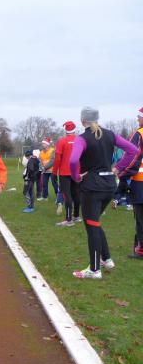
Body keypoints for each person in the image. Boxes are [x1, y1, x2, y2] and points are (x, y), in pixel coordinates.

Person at [68, 107, 137, 278]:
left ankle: (94, 270)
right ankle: (106, 259)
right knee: (94, 222)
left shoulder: (82, 138)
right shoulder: (110, 134)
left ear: (83, 120)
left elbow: (73, 160)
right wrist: (118, 168)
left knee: (91, 226)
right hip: (109, 186)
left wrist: (76, 176)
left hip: (92, 187)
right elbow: (133, 150)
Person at [119, 107, 143, 259]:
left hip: (140, 182)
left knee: (140, 218)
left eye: (139, 116)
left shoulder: (139, 133)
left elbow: (132, 155)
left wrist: (122, 174)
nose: (137, 119)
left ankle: (141, 250)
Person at [52, 121, 81, 227]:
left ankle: (69, 219)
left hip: (64, 173)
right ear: (74, 130)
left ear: (65, 130)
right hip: (76, 172)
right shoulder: (79, 140)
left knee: (67, 195)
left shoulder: (62, 141)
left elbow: (57, 159)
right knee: (76, 194)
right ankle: (76, 216)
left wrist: (54, 172)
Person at [38, 137, 57, 201]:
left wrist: (44, 167)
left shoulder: (52, 150)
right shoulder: (41, 152)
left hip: (52, 170)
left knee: (54, 184)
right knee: (44, 183)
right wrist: (42, 167)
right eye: (42, 143)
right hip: (45, 170)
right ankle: (45, 197)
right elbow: (39, 161)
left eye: (44, 143)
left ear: (47, 144)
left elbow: (52, 161)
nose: (42, 144)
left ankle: (58, 197)